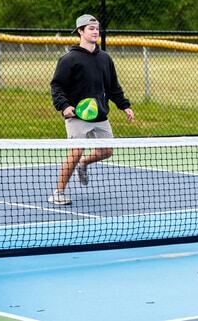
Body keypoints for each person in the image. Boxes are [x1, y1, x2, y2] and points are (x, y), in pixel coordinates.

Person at [49, 14, 134, 205]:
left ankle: (84, 164)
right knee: (76, 151)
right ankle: (58, 192)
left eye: (97, 29)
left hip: (100, 114)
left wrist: (124, 105)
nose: (95, 32)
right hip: (78, 115)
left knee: (107, 151)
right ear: (80, 31)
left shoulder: (105, 58)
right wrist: (64, 106)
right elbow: (57, 86)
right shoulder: (69, 59)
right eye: (90, 29)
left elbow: (113, 86)